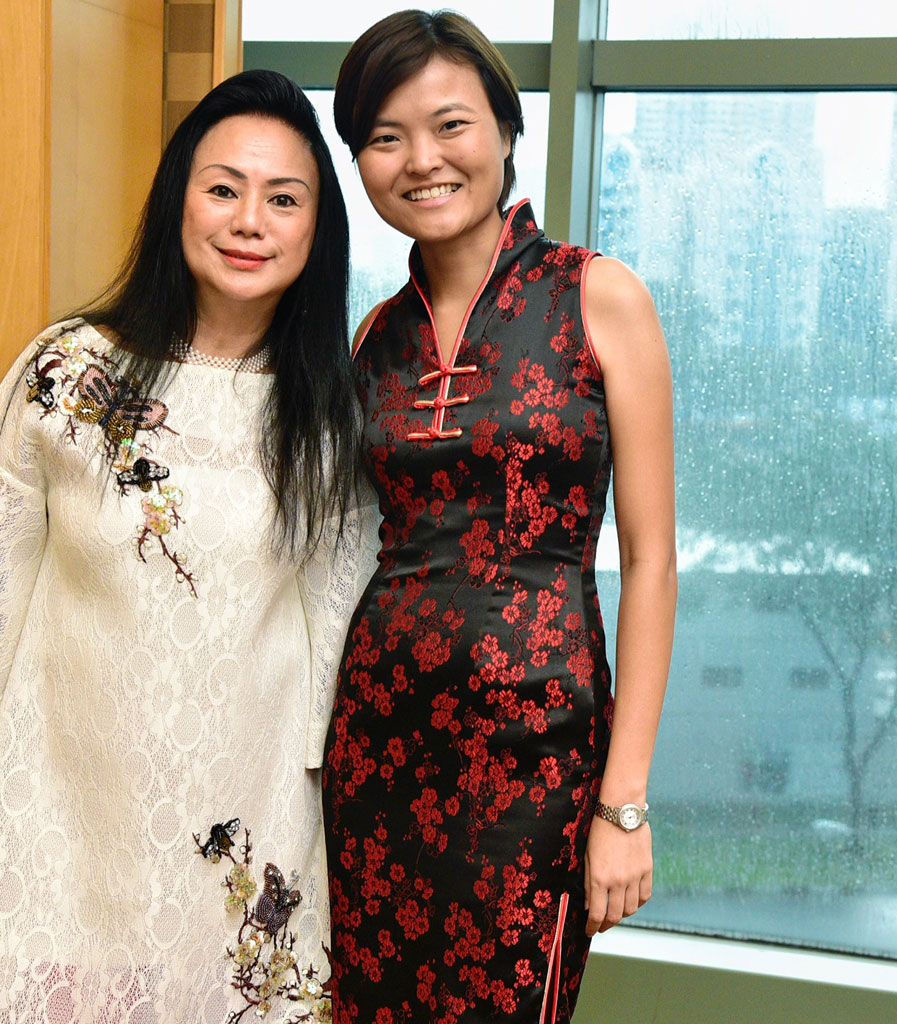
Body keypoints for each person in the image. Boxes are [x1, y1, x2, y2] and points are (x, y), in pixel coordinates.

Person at [0, 69, 376, 1024]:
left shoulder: (330, 411)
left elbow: (335, 626)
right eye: (222, 188)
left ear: (317, 231)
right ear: (177, 199)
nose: (249, 221)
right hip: (66, 806)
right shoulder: (71, 371)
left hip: (246, 814)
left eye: (284, 199)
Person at [322, 11, 679, 1023]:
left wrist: (624, 801)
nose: (422, 161)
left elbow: (651, 561)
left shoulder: (597, 297)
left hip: (537, 766)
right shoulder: (373, 338)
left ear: (506, 132)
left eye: (450, 126)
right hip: (376, 753)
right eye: (385, 138)